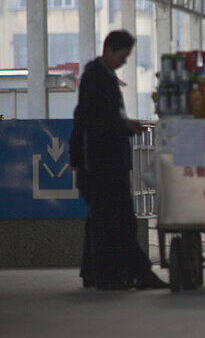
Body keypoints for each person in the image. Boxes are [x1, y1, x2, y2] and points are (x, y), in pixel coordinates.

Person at [71, 30, 167, 290]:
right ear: (110, 50)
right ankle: (128, 275)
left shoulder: (101, 75)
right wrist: (124, 126)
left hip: (100, 162)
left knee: (101, 221)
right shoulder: (96, 77)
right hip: (102, 163)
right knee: (119, 221)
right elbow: (94, 120)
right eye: (123, 56)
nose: (124, 62)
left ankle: (96, 274)